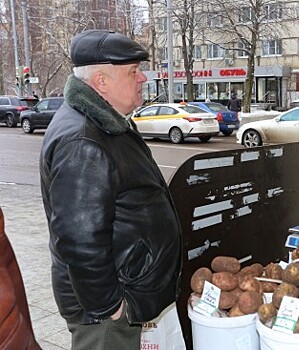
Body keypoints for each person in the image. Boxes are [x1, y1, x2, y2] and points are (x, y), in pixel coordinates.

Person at [40, 30, 183, 350]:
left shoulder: (105, 122)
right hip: (104, 314)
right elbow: (79, 239)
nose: (143, 77)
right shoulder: (83, 139)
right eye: (133, 71)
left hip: (116, 297)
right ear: (101, 81)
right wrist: (110, 308)